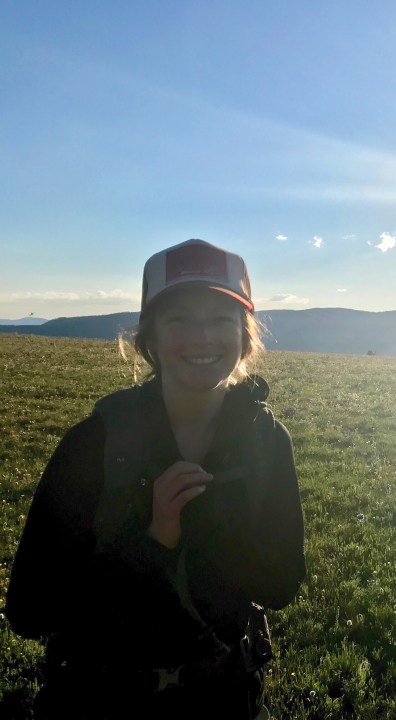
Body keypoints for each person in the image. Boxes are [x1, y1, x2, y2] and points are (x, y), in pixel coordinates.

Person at [6, 239, 306, 719]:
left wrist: (214, 524)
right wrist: (154, 540)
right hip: (100, 700)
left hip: (223, 697)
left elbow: (279, 585)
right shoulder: (96, 444)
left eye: (220, 319)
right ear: (150, 337)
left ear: (245, 334)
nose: (202, 337)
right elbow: (30, 609)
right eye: (179, 319)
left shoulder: (266, 441)